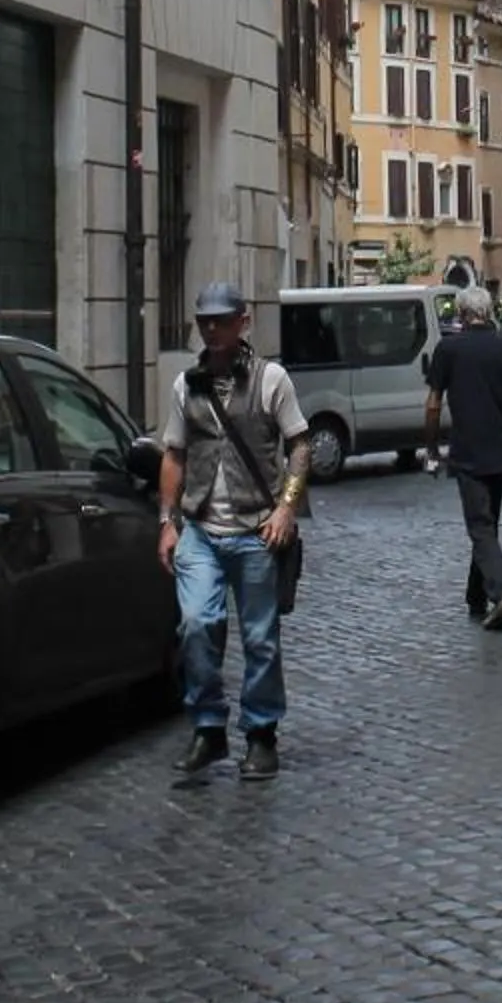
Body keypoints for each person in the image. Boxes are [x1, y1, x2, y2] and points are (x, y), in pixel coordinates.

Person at [159, 281, 309, 781]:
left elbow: (300, 446)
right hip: (201, 528)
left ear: (243, 322)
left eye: (222, 320)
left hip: (255, 528)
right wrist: (167, 521)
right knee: (197, 625)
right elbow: (174, 455)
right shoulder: (187, 385)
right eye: (205, 321)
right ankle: (209, 728)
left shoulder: (272, 380)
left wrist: (286, 510)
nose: (212, 328)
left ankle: (262, 734)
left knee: (261, 638)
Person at [422, 285, 502, 630]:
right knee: (487, 523)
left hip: (467, 450)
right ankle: (476, 596)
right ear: (490, 312)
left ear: (461, 314)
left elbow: (432, 403)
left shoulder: (449, 349)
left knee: (480, 527)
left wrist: (430, 449)